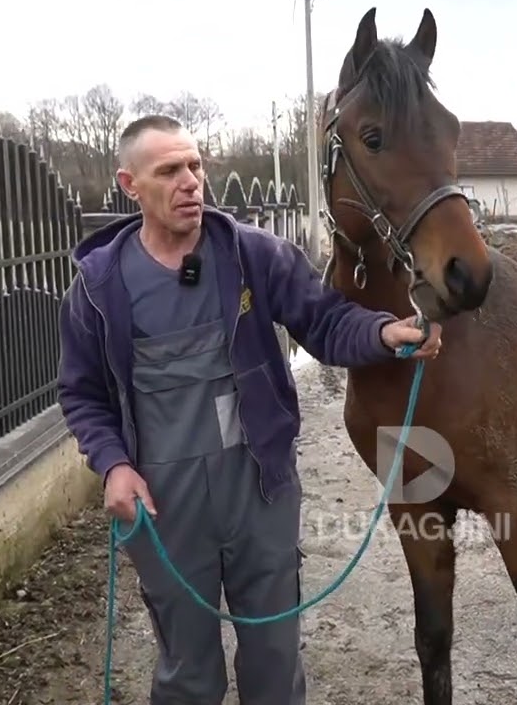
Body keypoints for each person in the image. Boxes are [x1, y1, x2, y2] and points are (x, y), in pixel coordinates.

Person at [56, 114, 442, 705]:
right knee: (188, 670)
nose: (190, 181)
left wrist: (383, 332)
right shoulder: (99, 286)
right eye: (169, 170)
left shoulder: (254, 256)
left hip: (259, 491)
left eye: (195, 165)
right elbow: (82, 393)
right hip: (164, 504)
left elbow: (324, 320)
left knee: (274, 659)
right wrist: (113, 465)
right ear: (130, 185)